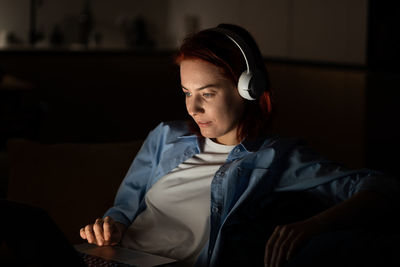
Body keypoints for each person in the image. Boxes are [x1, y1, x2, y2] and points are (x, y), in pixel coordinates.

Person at [80, 24, 399, 267]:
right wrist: (111, 228)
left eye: (206, 93)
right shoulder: (165, 136)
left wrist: (312, 226)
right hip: (115, 258)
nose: (193, 108)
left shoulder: (276, 157)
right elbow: (123, 209)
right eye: (186, 93)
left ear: (248, 89)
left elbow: (380, 186)